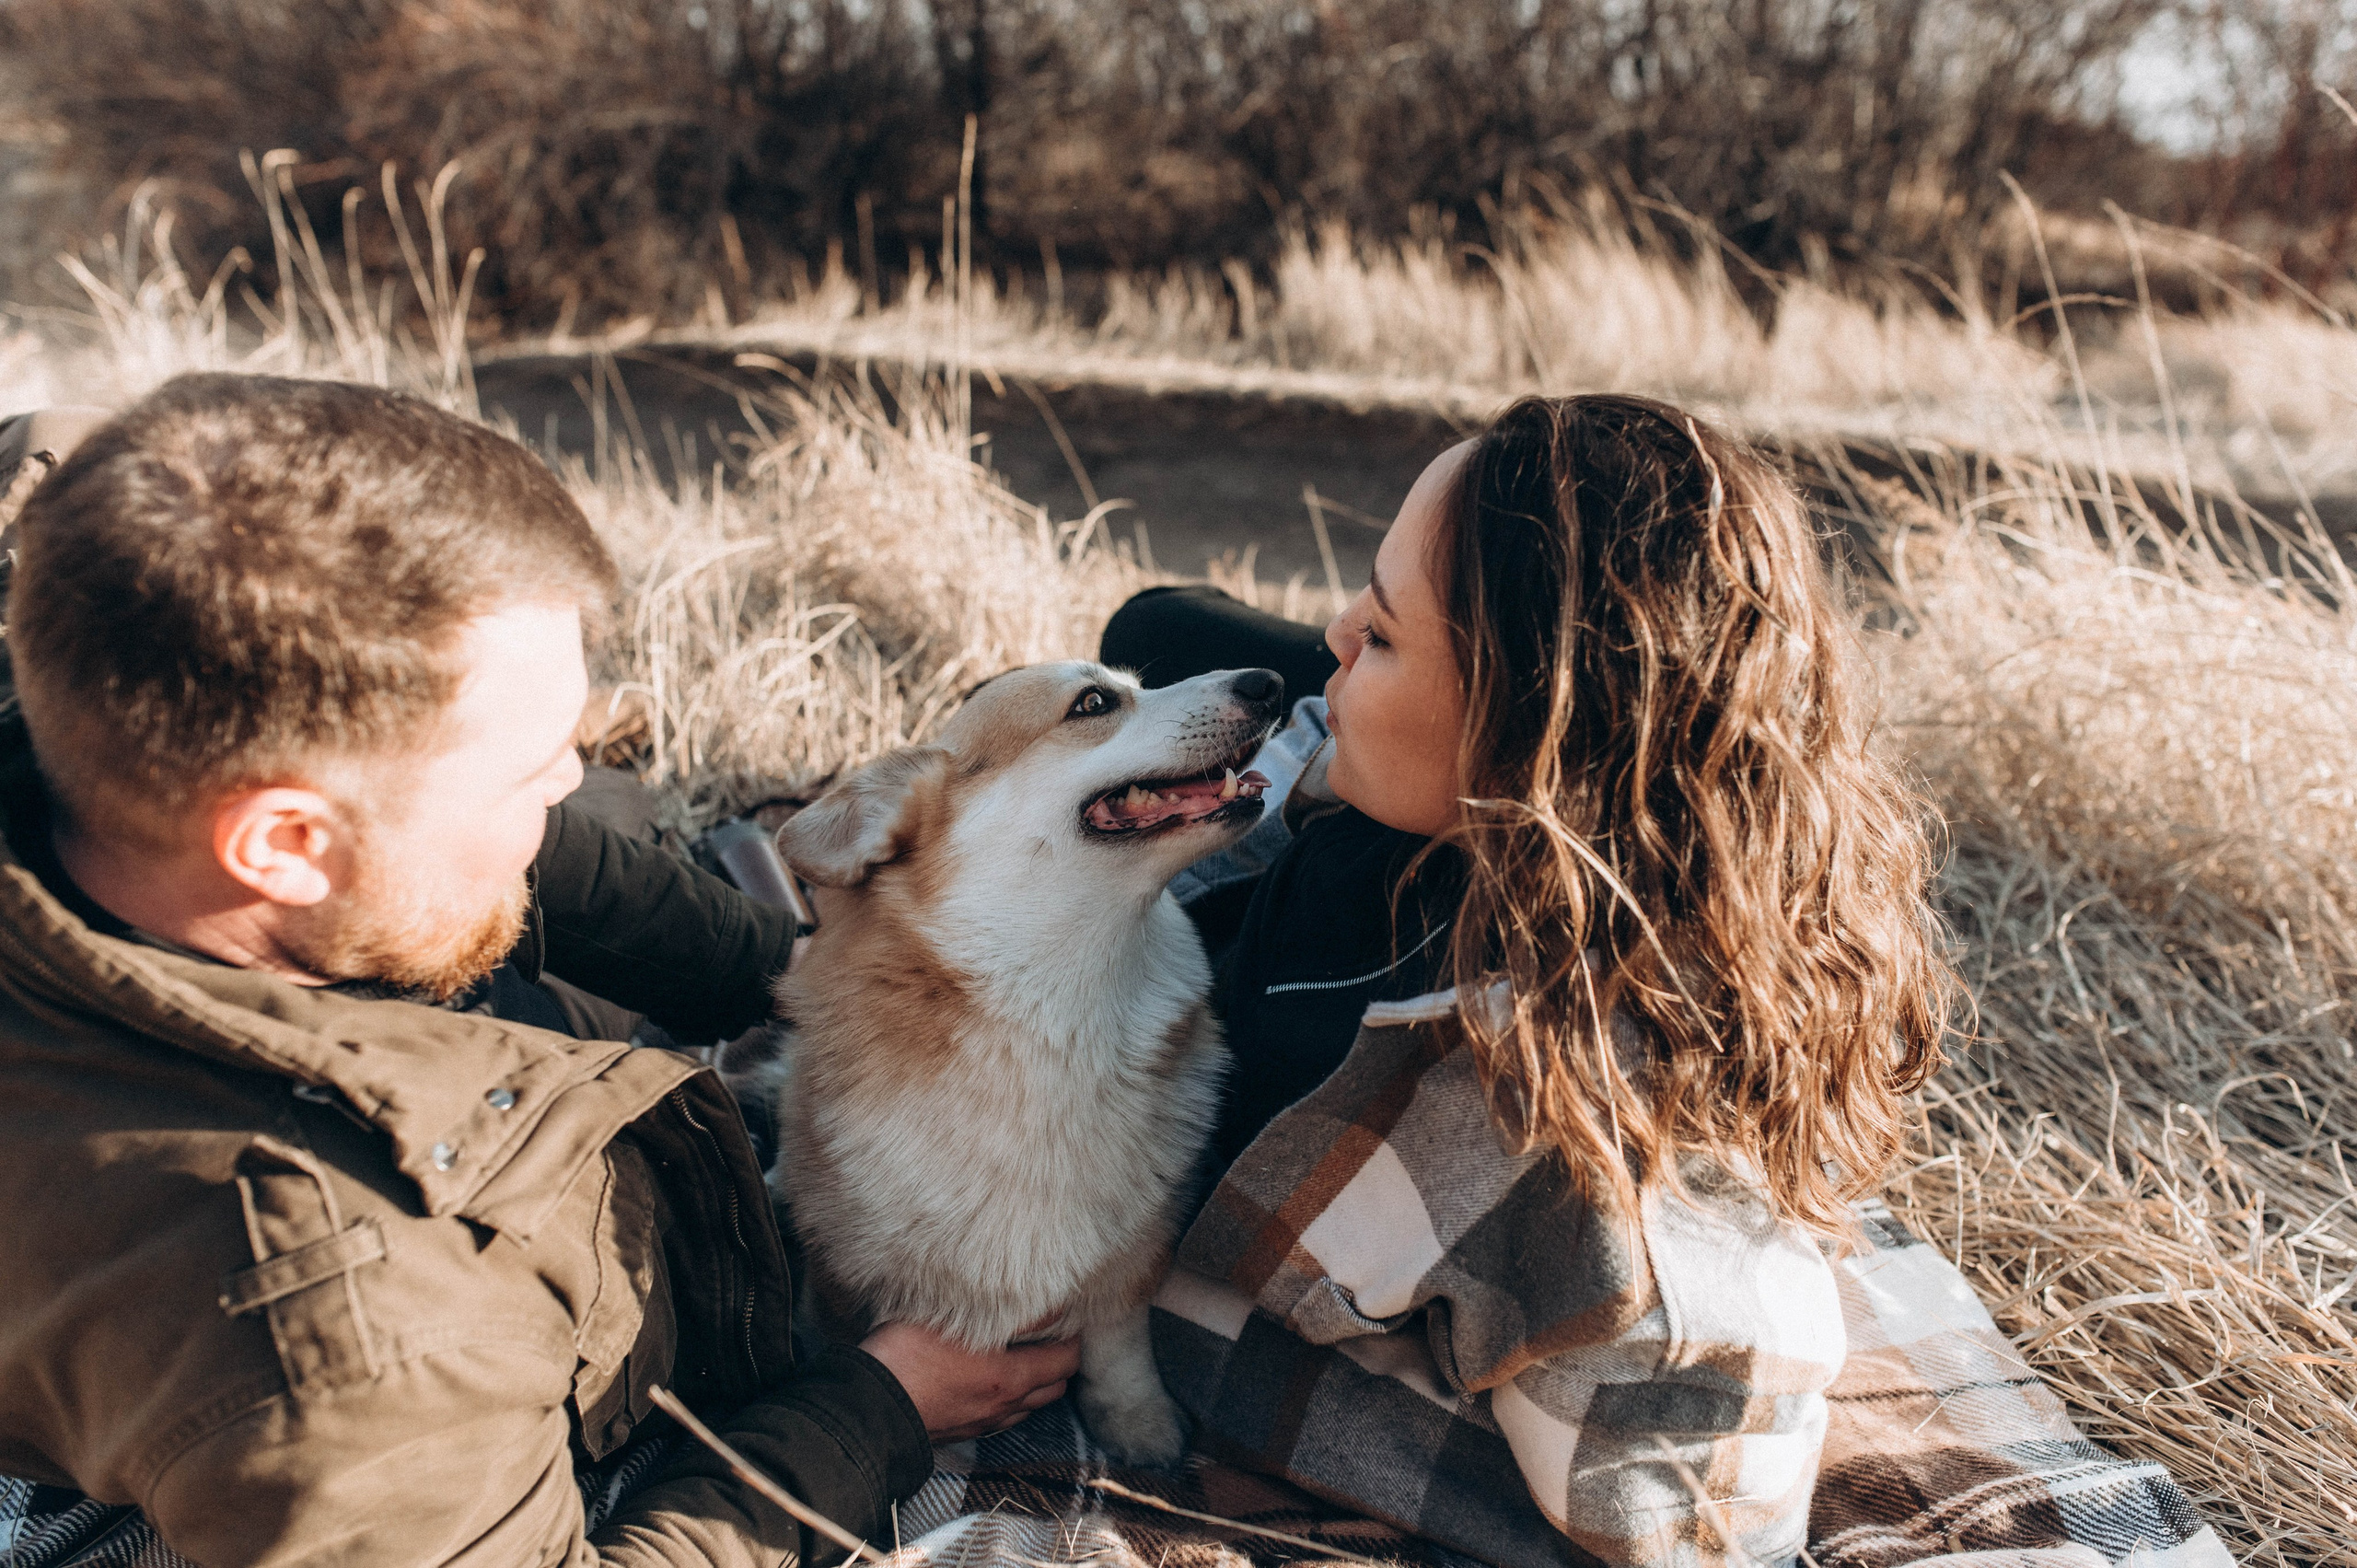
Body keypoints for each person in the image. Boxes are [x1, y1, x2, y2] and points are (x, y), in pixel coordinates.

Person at [0, 376, 1078, 1566]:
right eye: (526, 768)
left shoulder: (100, 702)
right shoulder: (352, 1333)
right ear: (287, 843)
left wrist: (780, 971)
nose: (569, 779)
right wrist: (879, 1408)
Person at [1112, 395, 1956, 1567]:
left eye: (1388, 632)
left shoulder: (1533, 1114)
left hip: (1291, 928)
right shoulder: (1450, 808)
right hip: (1358, 824)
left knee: (1172, 632)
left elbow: (1700, 1503)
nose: (1340, 622)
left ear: (1528, 733)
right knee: (1158, 617)